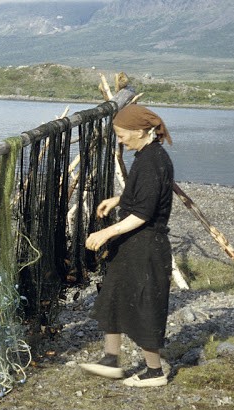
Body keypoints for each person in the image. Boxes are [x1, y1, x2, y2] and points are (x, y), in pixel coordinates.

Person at [79, 104, 174, 388]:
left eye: (122, 135)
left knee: (145, 306)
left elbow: (144, 213)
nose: (120, 141)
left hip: (148, 245)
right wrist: (118, 199)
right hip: (133, 244)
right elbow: (143, 192)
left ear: (141, 131)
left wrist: (106, 232)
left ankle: (155, 371)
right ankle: (110, 359)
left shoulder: (154, 161)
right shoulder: (145, 156)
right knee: (114, 295)